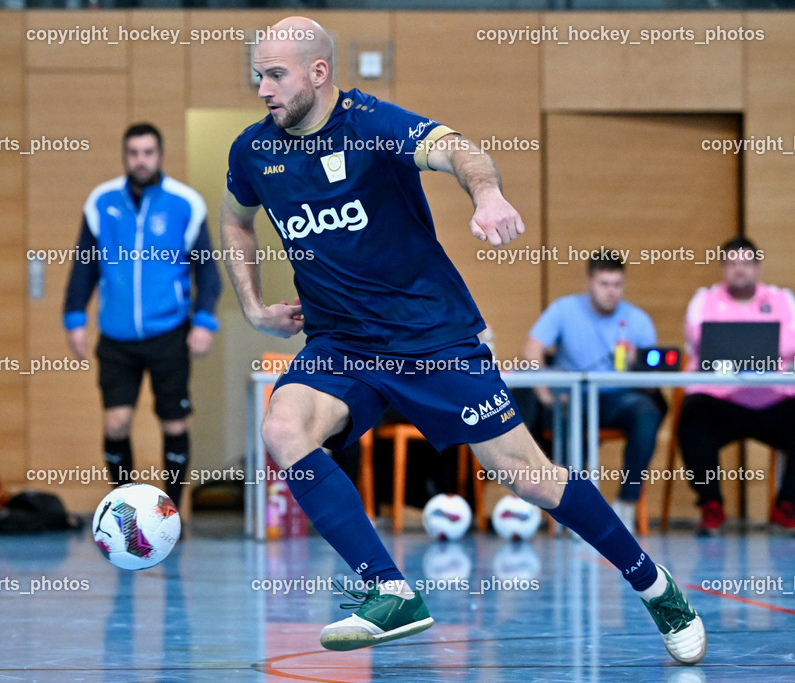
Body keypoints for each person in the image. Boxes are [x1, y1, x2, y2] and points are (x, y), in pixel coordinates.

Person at [220, 16, 705, 664]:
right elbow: (236, 218)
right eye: (258, 76)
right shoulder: (255, 152)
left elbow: (459, 148)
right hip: (341, 342)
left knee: (528, 476)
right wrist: (252, 306)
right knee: (283, 427)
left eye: (275, 74)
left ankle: (652, 580)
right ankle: (389, 589)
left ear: (319, 72)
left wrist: (488, 193)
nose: (263, 90)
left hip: (432, 335)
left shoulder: (371, 123)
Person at [64, 123, 222, 506]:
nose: (141, 160)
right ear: (125, 156)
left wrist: (204, 320)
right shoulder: (101, 203)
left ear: (160, 155)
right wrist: (74, 317)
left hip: (169, 332)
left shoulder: (185, 203)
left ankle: (171, 510)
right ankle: (124, 510)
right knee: (116, 422)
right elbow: (84, 264)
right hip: (116, 336)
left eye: (148, 152)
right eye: (133, 153)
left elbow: (208, 271)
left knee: (174, 422)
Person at [522, 254, 666, 532]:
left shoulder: (638, 320)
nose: (611, 291)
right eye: (604, 283)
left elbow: (653, 383)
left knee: (648, 414)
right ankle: (570, 506)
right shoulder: (564, 310)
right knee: (565, 418)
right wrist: (544, 394)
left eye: (617, 284)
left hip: (620, 397)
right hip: (575, 397)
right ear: (589, 282)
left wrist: (638, 362)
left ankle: (626, 503)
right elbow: (531, 350)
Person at [678, 236, 795, 534]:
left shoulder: (783, 300)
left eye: (745, 263)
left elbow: (790, 345)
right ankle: (711, 505)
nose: (739, 269)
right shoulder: (704, 301)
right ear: (722, 268)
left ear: (757, 267)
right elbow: (697, 341)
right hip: (720, 402)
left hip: (775, 400)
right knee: (692, 417)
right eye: (731, 263)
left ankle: (787, 507)